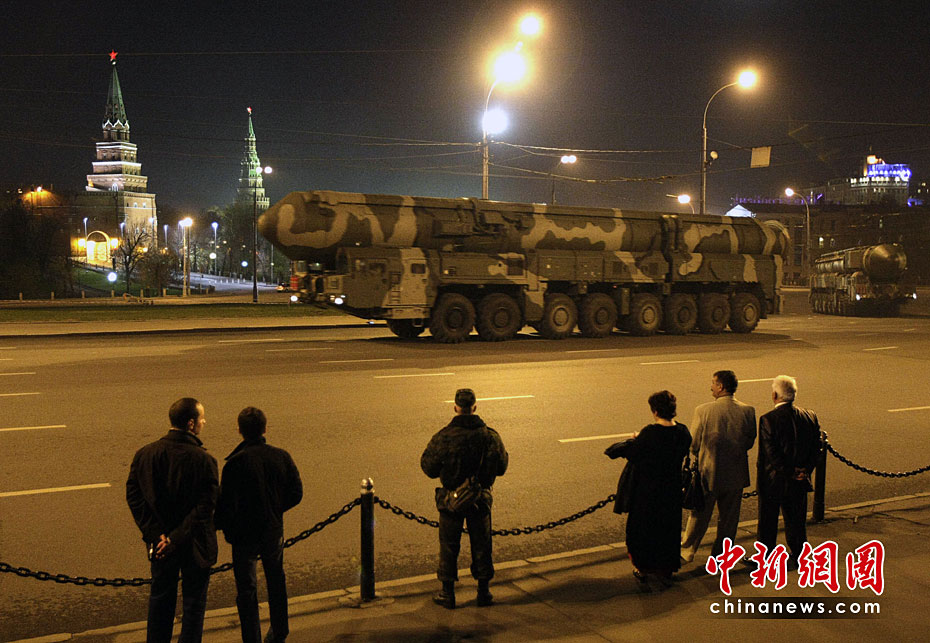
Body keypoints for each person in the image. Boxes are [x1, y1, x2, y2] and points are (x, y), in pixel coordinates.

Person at [126, 397, 218, 643]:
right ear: (191, 424)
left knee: (160, 602)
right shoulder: (204, 460)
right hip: (194, 545)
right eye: (201, 418)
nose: (204, 422)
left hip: (160, 546)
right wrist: (176, 538)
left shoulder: (145, 454)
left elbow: (135, 497)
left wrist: (157, 535)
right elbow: (205, 506)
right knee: (193, 606)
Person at [216, 407, 303, 643]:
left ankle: (251, 636)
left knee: (247, 589)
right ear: (265, 429)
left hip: (244, 535)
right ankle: (279, 630)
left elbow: (226, 505)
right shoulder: (281, 456)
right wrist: (275, 509)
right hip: (272, 530)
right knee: (276, 580)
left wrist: (228, 530)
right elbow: (296, 493)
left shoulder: (234, 463)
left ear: (239, 431)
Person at [421, 388, 509, 609]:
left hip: (452, 500)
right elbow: (501, 468)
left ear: (455, 408)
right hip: (480, 498)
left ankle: (447, 593)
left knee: (449, 546)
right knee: (482, 544)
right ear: (475, 407)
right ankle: (483, 592)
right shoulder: (490, 436)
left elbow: (428, 468)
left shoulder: (444, 436)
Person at [605, 391, 692, 583]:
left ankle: (643, 568)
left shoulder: (650, 433)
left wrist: (636, 439)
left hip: (648, 491)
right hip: (672, 490)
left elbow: (635, 454)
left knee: (642, 531)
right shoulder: (683, 431)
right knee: (668, 531)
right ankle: (666, 568)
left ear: (655, 411)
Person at [681, 370, 756, 562]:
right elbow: (749, 441)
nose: (711, 387)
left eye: (713, 383)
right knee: (729, 520)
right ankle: (721, 554)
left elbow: (694, 444)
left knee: (699, 515)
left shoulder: (703, 410)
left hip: (709, 472)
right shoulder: (748, 411)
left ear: (721, 386)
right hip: (736, 473)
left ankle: (687, 551)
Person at [757, 375, 821, 565]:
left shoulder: (768, 419)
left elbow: (771, 454)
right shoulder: (809, 416)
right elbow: (816, 447)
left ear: (775, 395)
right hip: (799, 480)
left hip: (774, 480)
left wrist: (790, 471)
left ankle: (765, 556)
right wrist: (805, 470)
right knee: (796, 520)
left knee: (768, 521)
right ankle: (799, 554)